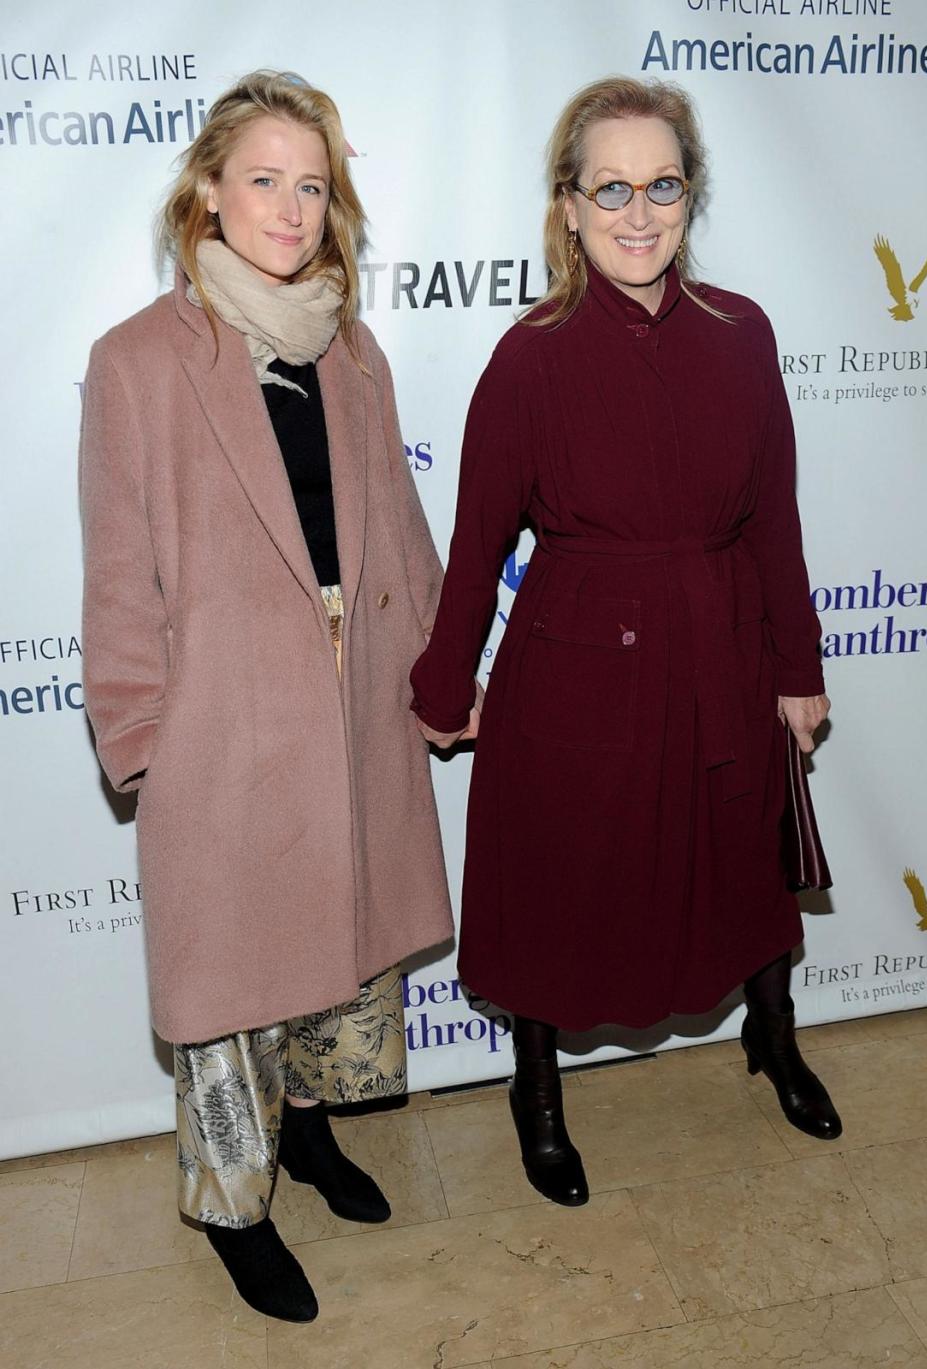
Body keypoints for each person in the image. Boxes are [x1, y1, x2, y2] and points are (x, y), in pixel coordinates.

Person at [410, 76, 840, 1209]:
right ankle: (536, 1091)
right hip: (574, 671)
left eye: (662, 184)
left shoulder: (743, 334)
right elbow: (477, 540)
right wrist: (444, 681)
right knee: (559, 875)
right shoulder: (529, 355)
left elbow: (774, 522)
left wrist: (797, 668)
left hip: (720, 651)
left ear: (690, 195)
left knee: (741, 861)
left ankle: (775, 1036)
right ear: (567, 203)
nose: (638, 213)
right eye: (611, 187)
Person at [80, 70, 453, 1321]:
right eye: (263, 180)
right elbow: (119, 567)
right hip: (223, 718)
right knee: (233, 978)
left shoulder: (352, 347)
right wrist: (142, 737)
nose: (291, 210)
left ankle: (306, 1135)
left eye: (312, 185)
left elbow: (397, 528)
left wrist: (442, 668)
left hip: (351, 703)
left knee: (332, 948)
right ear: (207, 193)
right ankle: (233, 1206)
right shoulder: (137, 361)